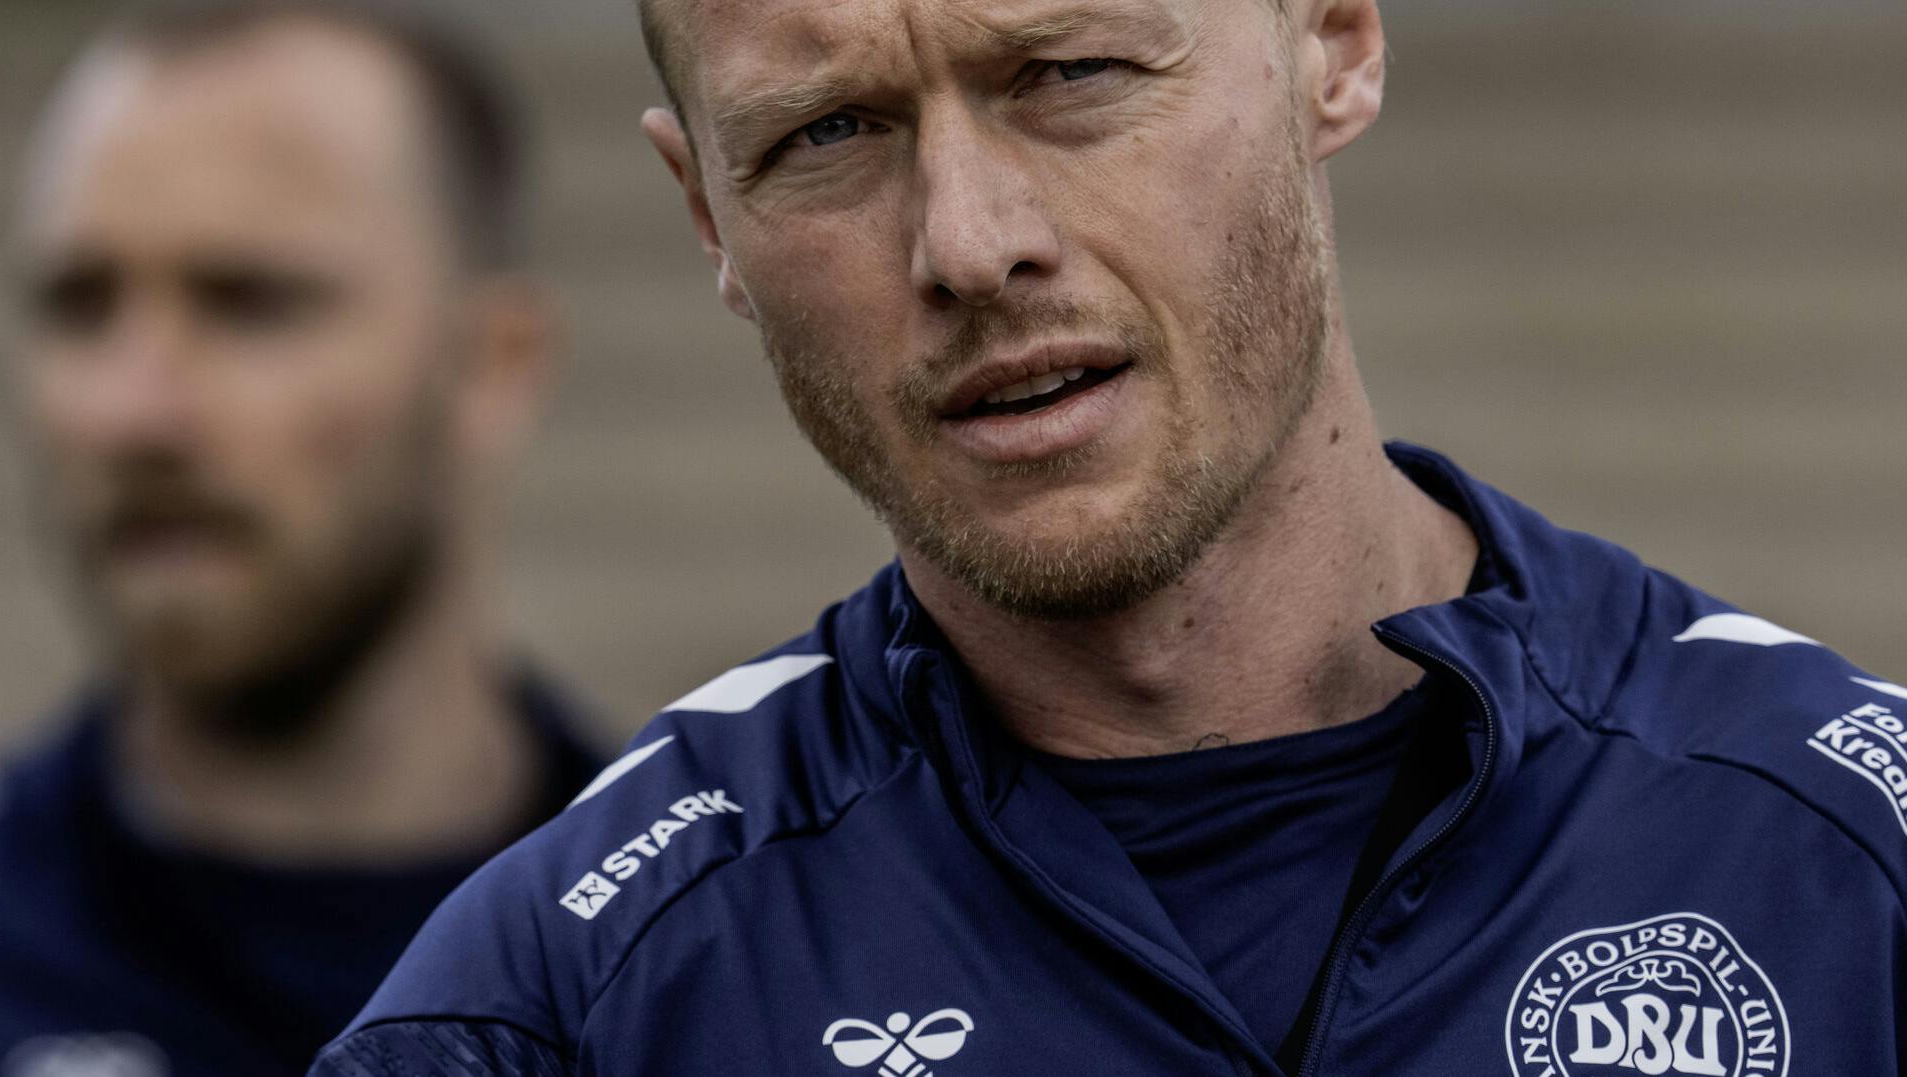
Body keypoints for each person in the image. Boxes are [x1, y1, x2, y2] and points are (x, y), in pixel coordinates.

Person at [316, 0, 1905, 1073]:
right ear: (705, 218)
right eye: (829, 135)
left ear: (1332, 40)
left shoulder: (1849, 863)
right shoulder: (558, 1005)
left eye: (1069, 73)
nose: (969, 244)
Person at [0, 5, 606, 1075]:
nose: (136, 413)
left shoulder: (698, 953)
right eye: (81, 305)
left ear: (491, 364)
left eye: (249, 303)